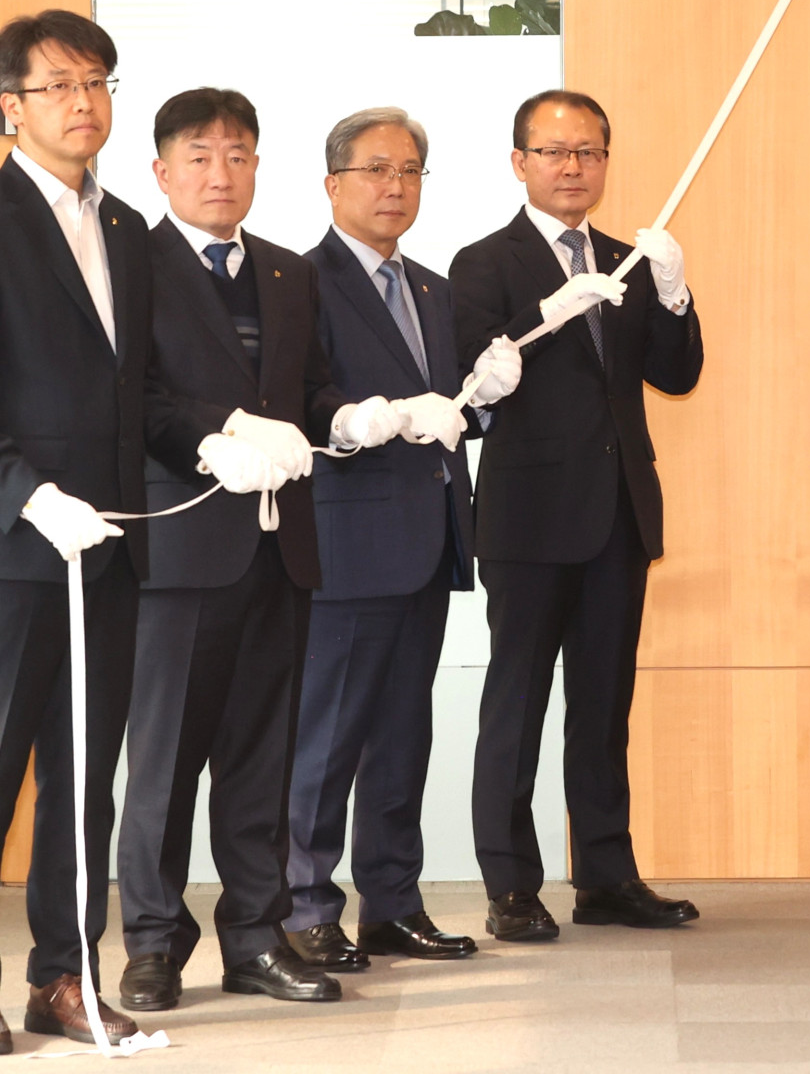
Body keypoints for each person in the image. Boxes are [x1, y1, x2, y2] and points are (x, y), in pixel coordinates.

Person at [119, 88, 422, 1012]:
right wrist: (215, 433)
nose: (221, 174)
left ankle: (256, 937)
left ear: (258, 166)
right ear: (162, 171)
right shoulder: (133, 265)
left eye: (238, 155)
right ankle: (153, 943)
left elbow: (309, 390)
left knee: (262, 759)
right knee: (167, 764)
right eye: (200, 156)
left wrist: (353, 417)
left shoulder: (289, 272)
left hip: (282, 548)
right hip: (181, 551)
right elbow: (133, 397)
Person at [451, 89, 703, 941]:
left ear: (605, 162)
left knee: (602, 707)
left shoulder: (627, 261)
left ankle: (605, 876)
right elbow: (469, 379)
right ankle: (510, 886)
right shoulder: (483, 263)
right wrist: (543, 319)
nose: (572, 167)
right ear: (519, 162)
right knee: (516, 705)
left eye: (588, 152)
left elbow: (677, 374)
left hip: (618, 515)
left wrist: (672, 292)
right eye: (554, 152)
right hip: (528, 521)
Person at [282, 108, 522, 974]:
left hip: (428, 538)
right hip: (347, 544)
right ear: (332, 183)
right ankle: (305, 908)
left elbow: (447, 409)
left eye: (411, 171)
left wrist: (483, 398)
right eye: (377, 170)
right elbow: (303, 402)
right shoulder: (300, 281)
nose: (395, 186)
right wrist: (361, 418)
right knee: (328, 737)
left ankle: (391, 903)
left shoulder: (429, 286)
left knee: (400, 735)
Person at [0, 11, 152, 1048]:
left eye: (96, 81)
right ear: (11, 107)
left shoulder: (126, 227)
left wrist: (223, 434)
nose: (83, 102)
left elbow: (141, 388)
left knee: (84, 781)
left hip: (105, 550)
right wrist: (24, 491)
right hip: (15, 549)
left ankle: (65, 980)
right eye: (58, 85)